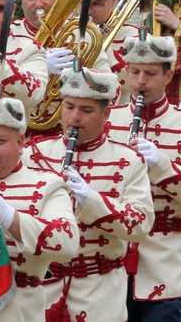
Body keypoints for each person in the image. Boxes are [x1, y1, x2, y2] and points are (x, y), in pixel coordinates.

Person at [104, 32, 181, 319]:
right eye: (135, 72)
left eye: (151, 73)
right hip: (111, 258)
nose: (141, 81)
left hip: (166, 257)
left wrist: (161, 165)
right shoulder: (107, 121)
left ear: (168, 77)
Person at [27, 66, 154, 321]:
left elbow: (140, 225)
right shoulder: (33, 155)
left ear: (106, 113)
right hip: (40, 286)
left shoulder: (128, 160)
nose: (75, 118)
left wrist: (90, 200)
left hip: (100, 289)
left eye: (86, 110)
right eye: (69, 107)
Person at [0, 92, 78, 321]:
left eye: (0, 141)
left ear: (20, 143)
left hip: (18, 311)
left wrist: (10, 218)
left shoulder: (49, 184)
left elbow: (67, 244)